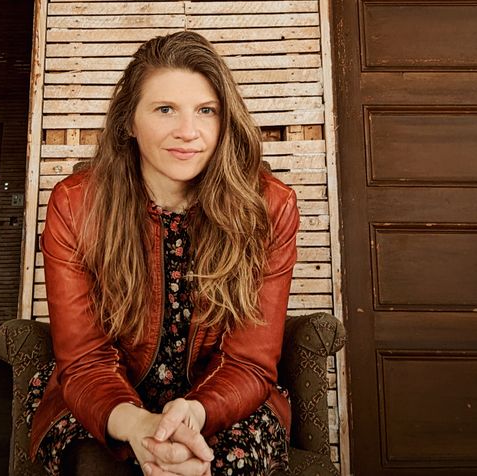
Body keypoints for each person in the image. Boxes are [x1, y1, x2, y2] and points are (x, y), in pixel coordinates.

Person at [25, 31, 299, 476]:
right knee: (97, 467)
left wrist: (191, 415)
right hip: (105, 397)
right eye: (165, 109)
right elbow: (85, 359)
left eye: (206, 110)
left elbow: (249, 360)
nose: (188, 132)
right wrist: (139, 426)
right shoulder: (75, 205)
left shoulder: (270, 207)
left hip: (224, 400)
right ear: (129, 122)